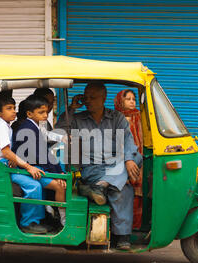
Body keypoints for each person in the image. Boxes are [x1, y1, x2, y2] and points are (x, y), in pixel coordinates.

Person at [55, 81, 142, 249]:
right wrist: (72, 108)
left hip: (115, 165)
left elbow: (128, 139)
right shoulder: (78, 119)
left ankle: (102, 187)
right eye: (86, 97)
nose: (88, 101)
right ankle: (122, 236)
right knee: (122, 187)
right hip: (92, 169)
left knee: (135, 157)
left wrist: (129, 160)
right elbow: (58, 131)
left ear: (103, 98)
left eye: (92, 97)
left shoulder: (116, 118)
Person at [0, 93, 51, 234]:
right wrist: (28, 167)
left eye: (14, 107)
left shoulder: (6, 125)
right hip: (1, 167)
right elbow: (6, 152)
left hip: (8, 164)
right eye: (9, 108)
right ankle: (27, 223)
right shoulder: (0, 125)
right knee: (33, 185)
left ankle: (38, 219)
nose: (14, 111)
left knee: (37, 181)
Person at [12, 94, 67, 227]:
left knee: (61, 183)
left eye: (46, 112)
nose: (45, 115)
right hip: (24, 169)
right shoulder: (27, 129)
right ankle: (63, 220)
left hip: (35, 167)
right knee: (60, 186)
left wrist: (58, 171)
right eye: (41, 112)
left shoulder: (35, 127)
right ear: (29, 114)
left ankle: (51, 216)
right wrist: (56, 173)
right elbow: (40, 155)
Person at [114, 89, 143, 230]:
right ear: (120, 101)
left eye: (133, 99)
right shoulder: (116, 118)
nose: (132, 102)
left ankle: (135, 227)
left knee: (138, 194)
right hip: (121, 160)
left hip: (138, 158)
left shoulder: (139, 116)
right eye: (128, 99)